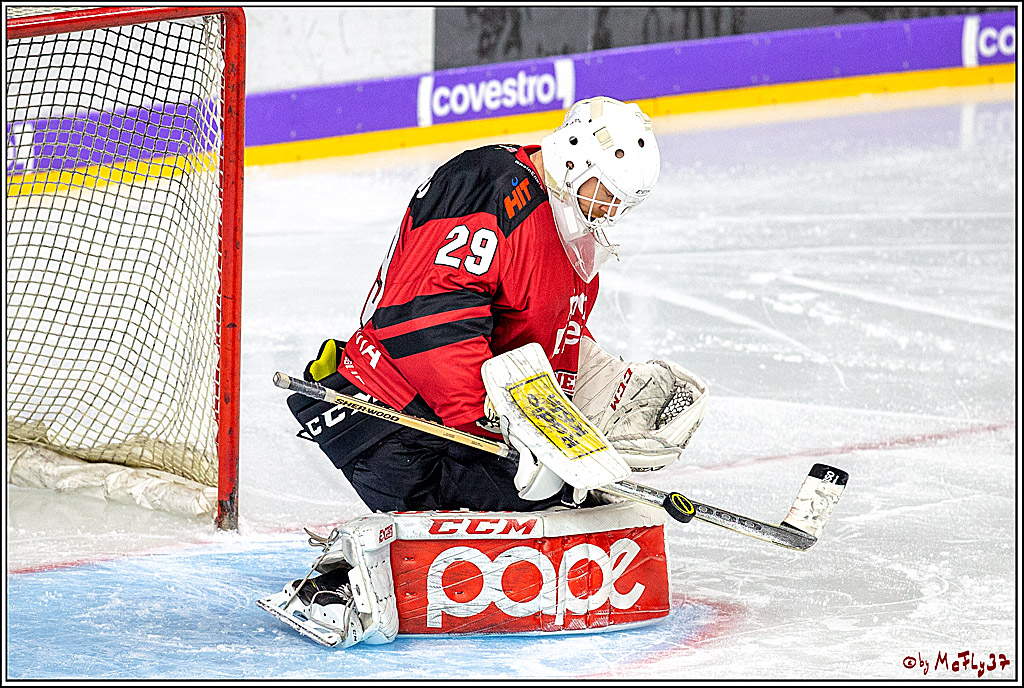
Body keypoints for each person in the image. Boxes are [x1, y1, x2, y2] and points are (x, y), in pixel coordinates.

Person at [288, 96, 665, 514]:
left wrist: (601, 388)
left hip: (448, 423)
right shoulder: (488, 188)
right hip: (397, 425)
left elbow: (535, 333)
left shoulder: (566, 220)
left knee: (586, 505)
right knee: (559, 512)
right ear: (575, 159)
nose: (613, 210)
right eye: (608, 192)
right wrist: (504, 428)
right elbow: (428, 322)